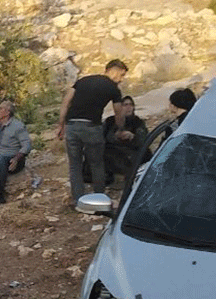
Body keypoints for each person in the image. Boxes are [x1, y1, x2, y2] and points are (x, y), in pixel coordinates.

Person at [55, 59, 127, 201]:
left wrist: (60, 125)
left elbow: (66, 101)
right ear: (114, 71)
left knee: (75, 164)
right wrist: (120, 129)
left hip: (72, 126)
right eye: (122, 75)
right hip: (91, 127)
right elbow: (119, 112)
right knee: (97, 163)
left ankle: (78, 199)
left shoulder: (83, 81)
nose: (121, 79)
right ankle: (99, 197)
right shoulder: (113, 88)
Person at [101, 95, 148, 183]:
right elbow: (102, 139)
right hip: (113, 154)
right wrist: (116, 136)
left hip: (132, 154)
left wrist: (132, 137)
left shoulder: (138, 122)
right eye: (125, 105)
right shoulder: (110, 121)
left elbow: (144, 140)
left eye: (130, 105)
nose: (128, 107)